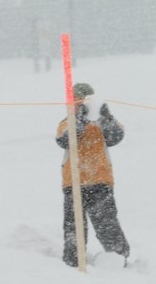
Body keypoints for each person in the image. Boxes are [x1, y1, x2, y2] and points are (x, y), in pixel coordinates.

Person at [55, 83, 130, 267]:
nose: (78, 106)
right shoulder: (66, 123)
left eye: (83, 103)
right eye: (75, 103)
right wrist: (79, 119)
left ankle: (119, 257)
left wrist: (106, 116)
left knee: (107, 223)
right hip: (73, 183)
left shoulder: (101, 124)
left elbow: (116, 136)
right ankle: (73, 260)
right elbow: (65, 139)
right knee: (74, 226)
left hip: (100, 181)